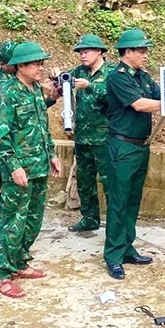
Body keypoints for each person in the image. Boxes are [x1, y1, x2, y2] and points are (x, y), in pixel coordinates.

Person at [0, 41, 62, 298]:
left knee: (32, 220)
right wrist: (13, 167)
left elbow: (41, 126)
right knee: (12, 221)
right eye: (36, 64)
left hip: (39, 165)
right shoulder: (6, 92)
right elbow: (1, 136)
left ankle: (20, 263)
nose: (41, 68)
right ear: (20, 66)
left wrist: (52, 154)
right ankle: (3, 275)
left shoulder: (33, 90)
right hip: (19, 170)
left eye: (42, 63)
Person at [103, 29, 161, 281]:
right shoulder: (118, 78)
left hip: (140, 147)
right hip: (121, 147)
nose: (145, 55)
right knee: (118, 202)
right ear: (127, 53)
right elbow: (140, 104)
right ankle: (113, 256)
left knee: (132, 201)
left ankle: (127, 248)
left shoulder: (144, 78)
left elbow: (159, 95)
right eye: (141, 50)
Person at [64, 34, 115, 232]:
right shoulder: (79, 71)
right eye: (80, 52)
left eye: (86, 52)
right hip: (82, 137)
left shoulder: (112, 72)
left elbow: (114, 97)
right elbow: (64, 80)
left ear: (99, 51)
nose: (82, 56)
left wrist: (90, 85)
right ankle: (89, 218)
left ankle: (114, 222)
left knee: (109, 182)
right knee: (85, 181)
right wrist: (56, 76)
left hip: (104, 138)